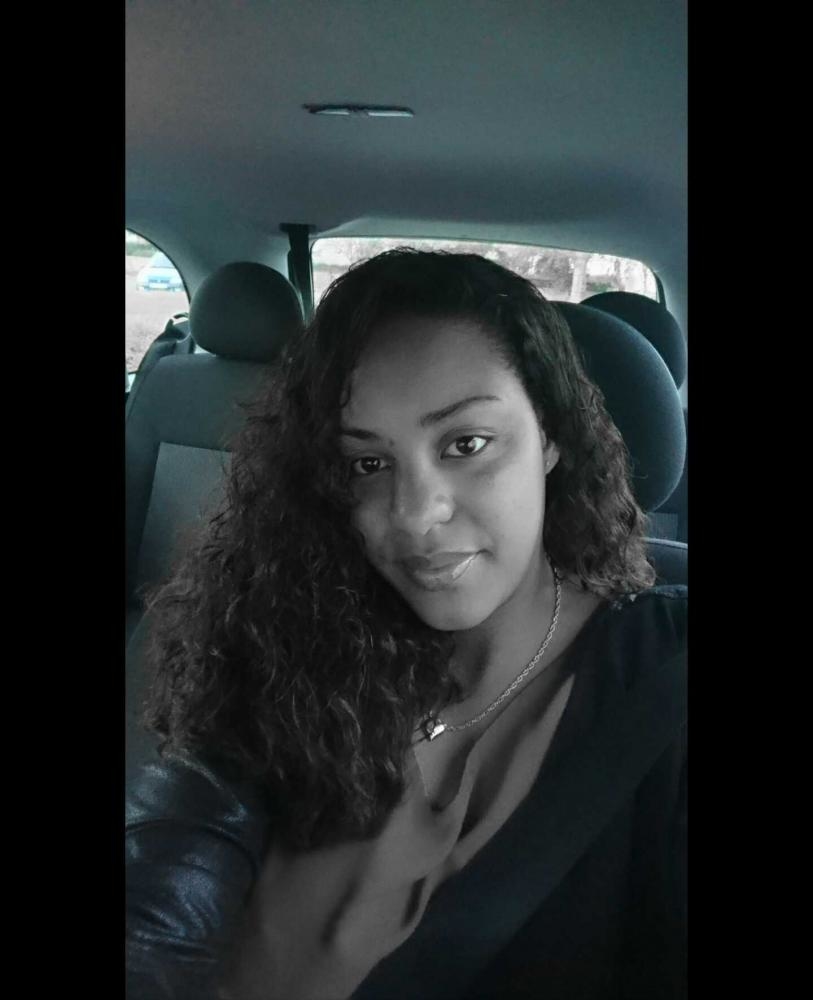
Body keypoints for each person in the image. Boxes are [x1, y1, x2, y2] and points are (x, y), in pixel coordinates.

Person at [126, 249, 687, 1000]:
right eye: (368, 464)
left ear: (551, 436)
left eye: (465, 445)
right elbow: (162, 889)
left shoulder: (662, 679)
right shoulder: (280, 631)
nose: (416, 514)